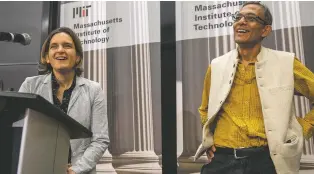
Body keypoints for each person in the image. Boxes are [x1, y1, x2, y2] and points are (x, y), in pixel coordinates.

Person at [195, 1, 314, 174]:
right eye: (238, 17)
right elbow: (205, 109)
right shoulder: (217, 65)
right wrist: (209, 138)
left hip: (266, 161)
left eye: (250, 18)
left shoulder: (286, 62)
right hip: (222, 161)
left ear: (265, 30)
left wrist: (301, 129)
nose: (241, 21)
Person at [19, 27, 109, 174]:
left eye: (67, 46)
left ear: (78, 57)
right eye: (54, 46)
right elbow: (20, 130)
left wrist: (76, 170)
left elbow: (101, 140)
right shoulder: (30, 85)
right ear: (47, 57)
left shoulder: (94, 90)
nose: (60, 50)